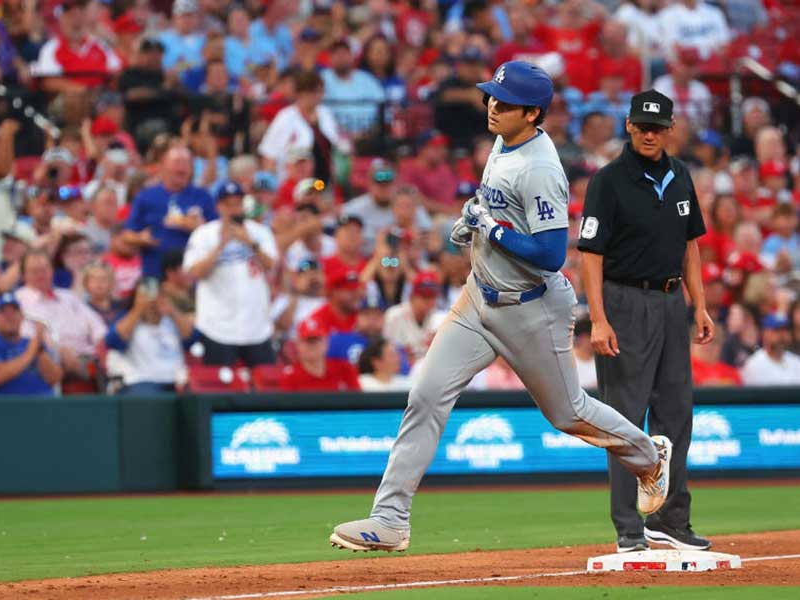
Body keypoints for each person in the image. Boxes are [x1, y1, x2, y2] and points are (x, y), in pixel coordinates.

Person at [330, 61, 672, 554]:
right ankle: (390, 519)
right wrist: (475, 217)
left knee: (569, 413)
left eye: (505, 102)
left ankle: (648, 456)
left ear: (533, 114)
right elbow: (495, 201)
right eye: (492, 96)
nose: (493, 105)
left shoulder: (539, 167)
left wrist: (490, 229)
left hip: (530, 307)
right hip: (478, 297)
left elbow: (553, 253)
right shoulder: (503, 141)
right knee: (425, 395)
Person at [578, 90, 713, 553]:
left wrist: (700, 304)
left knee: (677, 414)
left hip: (672, 300)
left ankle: (672, 519)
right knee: (624, 419)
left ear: (670, 128)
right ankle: (628, 527)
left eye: (658, 126)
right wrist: (597, 318)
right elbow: (590, 255)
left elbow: (690, 244)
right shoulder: (609, 181)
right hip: (623, 301)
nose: (650, 133)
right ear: (629, 126)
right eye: (642, 125)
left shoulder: (680, 175)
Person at [182, 181, 278, 367]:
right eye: (228, 204)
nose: (233, 209)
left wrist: (250, 243)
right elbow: (194, 272)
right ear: (219, 206)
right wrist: (220, 246)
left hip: (256, 327)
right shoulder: (204, 234)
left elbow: (271, 265)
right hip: (218, 328)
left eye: (237, 203)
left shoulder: (259, 232)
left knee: (265, 389)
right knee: (221, 391)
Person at [15, 248, 107, 393]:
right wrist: (58, 350)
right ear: (23, 275)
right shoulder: (18, 301)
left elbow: (98, 327)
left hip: (88, 356)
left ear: (52, 270)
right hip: (48, 358)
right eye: (34, 271)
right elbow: (25, 336)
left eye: (44, 269)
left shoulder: (68, 297)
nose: (40, 275)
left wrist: (102, 350)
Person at [123, 146, 217, 279]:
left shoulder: (203, 196)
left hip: (191, 275)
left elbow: (217, 234)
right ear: (163, 166)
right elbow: (127, 235)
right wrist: (141, 238)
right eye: (177, 162)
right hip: (153, 273)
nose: (183, 167)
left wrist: (198, 228)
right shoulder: (145, 196)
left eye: (187, 163)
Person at [104, 284, 196, 395]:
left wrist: (173, 311)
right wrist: (138, 310)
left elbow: (192, 337)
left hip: (177, 380)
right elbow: (112, 341)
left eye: (159, 295)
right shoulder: (127, 318)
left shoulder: (171, 320)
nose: (153, 300)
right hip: (141, 381)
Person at [0, 293, 61, 396]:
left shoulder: (33, 343)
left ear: (22, 316)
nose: (10, 316)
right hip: (8, 407)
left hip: (44, 405)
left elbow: (54, 378)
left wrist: (39, 351)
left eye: (14, 311)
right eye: (3, 312)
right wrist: (31, 352)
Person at [278, 318, 361, 392]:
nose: (312, 345)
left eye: (316, 340)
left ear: (326, 342)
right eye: (307, 341)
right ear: (297, 344)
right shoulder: (290, 376)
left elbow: (358, 402)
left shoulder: (345, 369)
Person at [741, 314, 800, 386]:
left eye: (785, 330)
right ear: (765, 333)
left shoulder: (796, 361)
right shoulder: (753, 364)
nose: (782, 335)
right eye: (777, 330)